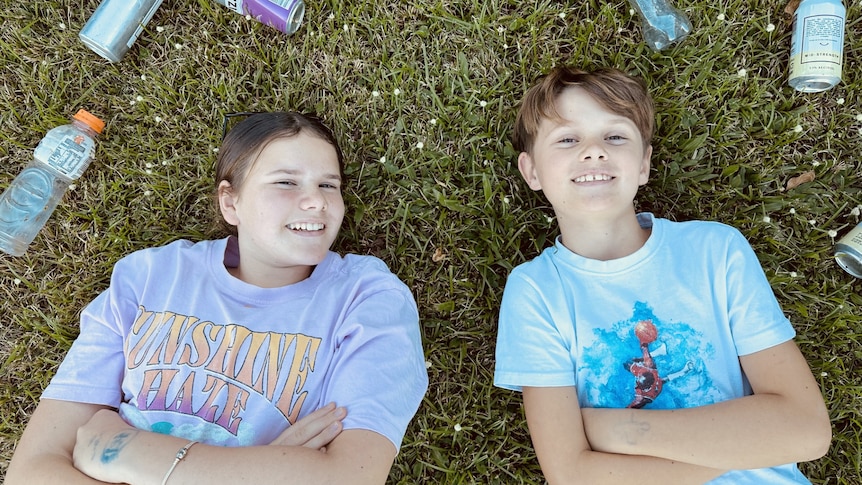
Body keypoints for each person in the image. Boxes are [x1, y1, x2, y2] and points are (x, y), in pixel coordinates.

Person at [7, 111, 428, 485]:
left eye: (328, 185)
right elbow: (32, 471)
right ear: (231, 201)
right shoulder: (152, 275)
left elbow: (347, 475)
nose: (316, 200)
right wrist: (266, 468)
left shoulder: (368, 299)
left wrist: (130, 454)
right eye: (285, 181)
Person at [493, 66, 832, 484]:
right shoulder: (535, 291)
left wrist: (617, 430)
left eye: (615, 136)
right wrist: (747, 443)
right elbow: (572, 474)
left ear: (644, 164)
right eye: (567, 139)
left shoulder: (715, 251)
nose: (594, 151)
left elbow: (806, 429)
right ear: (531, 172)